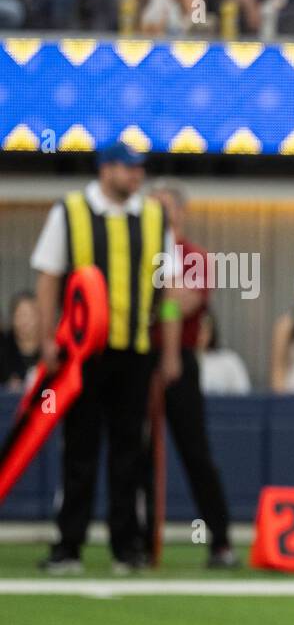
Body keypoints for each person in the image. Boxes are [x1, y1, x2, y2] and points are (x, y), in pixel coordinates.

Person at [30, 142, 181, 574]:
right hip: (81, 354)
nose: (137, 177)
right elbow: (48, 277)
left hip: (134, 351)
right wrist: (47, 341)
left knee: (128, 451)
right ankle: (69, 545)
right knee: (79, 449)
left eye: (140, 170)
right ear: (106, 169)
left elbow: (166, 291)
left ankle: (125, 546)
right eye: (129, 169)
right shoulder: (71, 211)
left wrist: (169, 351)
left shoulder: (155, 217)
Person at [145, 182, 240, 567]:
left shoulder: (194, 256)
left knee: (195, 452)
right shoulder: (140, 251)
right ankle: (137, 540)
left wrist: (156, 302)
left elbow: (183, 301)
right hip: (137, 358)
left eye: (169, 208)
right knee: (136, 452)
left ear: (181, 213)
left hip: (180, 358)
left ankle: (220, 540)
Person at [0, 292, 41, 392]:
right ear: (12, 318)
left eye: (30, 314)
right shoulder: (4, 347)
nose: (25, 320)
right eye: (20, 315)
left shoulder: (51, 349)